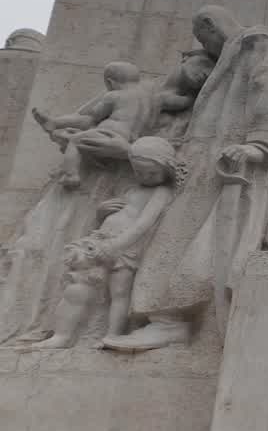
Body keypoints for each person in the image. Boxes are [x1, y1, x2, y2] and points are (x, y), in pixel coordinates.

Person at [101, 5, 268, 352]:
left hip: (233, 165)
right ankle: (170, 323)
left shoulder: (259, 43)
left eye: (204, 41)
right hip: (206, 165)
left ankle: (171, 321)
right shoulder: (237, 50)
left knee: (195, 243)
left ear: (209, 27)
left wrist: (259, 146)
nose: (206, 50)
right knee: (178, 238)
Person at [27, 137, 182, 349]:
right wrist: (101, 213)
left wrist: (116, 246)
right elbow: (116, 215)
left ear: (168, 169)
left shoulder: (162, 192)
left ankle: (113, 335)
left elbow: (144, 224)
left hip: (125, 248)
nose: (145, 177)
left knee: (119, 292)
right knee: (76, 287)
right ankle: (62, 335)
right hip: (99, 241)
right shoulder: (130, 189)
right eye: (139, 172)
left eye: (152, 173)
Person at [31, 62, 168, 189]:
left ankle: (71, 175)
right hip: (129, 138)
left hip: (107, 132)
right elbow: (176, 101)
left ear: (110, 83)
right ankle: (54, 122)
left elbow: (96, 115)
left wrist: (97, 108)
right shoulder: (151, 97)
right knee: (86, 123)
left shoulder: (115, 95)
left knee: (75, 141)